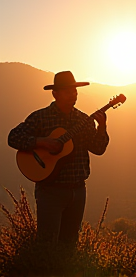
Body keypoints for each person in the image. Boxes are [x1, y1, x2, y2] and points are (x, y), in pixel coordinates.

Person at [8, 71, 109, 247]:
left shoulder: (83, 120)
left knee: (69, 244)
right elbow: (13, 137)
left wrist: (102, 127)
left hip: (78, 191)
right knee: (47, 243)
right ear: (55, 94)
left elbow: (99, 149)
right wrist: (42, 142)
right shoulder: (40, 117)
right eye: (68, 91)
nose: (73, 95)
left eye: (75, 91)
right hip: (50, 191)